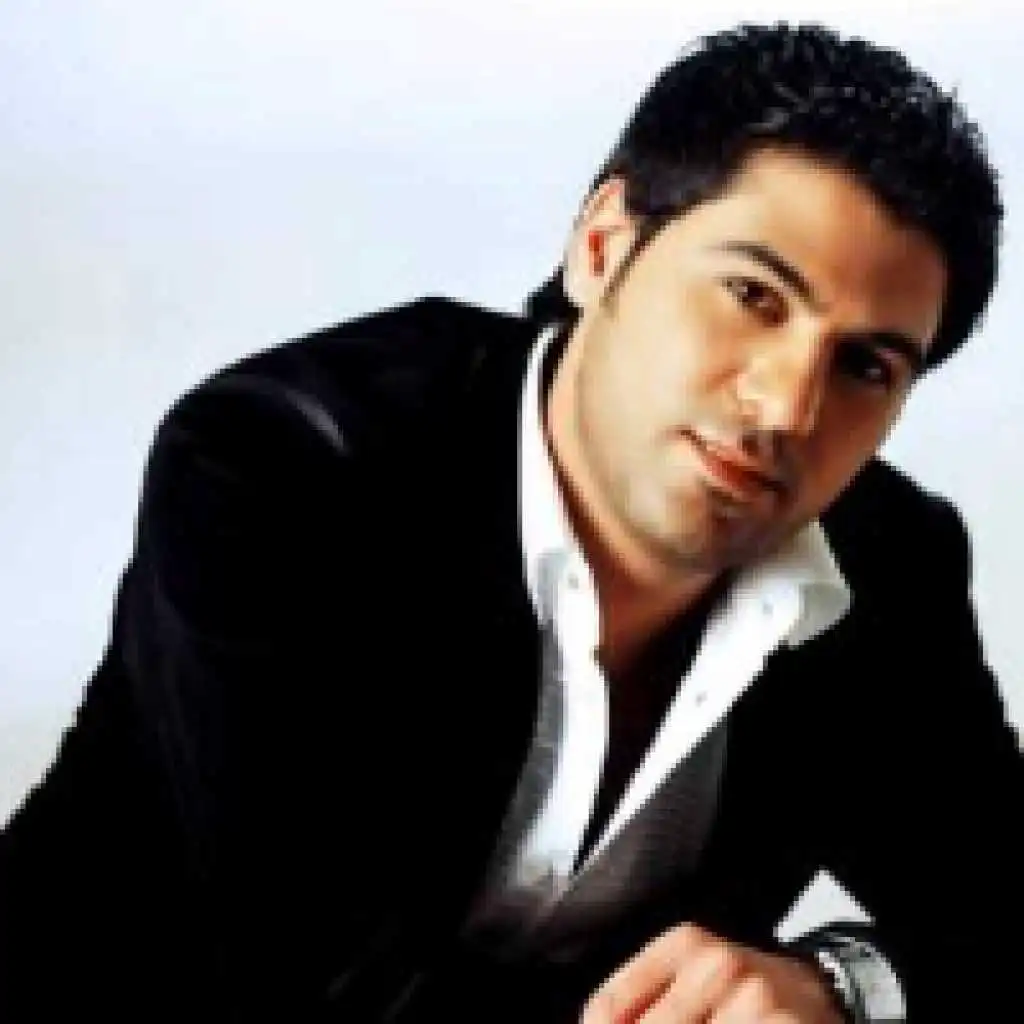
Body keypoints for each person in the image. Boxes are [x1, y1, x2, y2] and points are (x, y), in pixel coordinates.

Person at [1, 20, 1020, 1023]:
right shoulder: (282, 467)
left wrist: (841, 989)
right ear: (603, 245)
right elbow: (318, 977)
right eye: (752, 295)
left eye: (865, 365)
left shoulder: (889, 564)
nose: (788, 406)